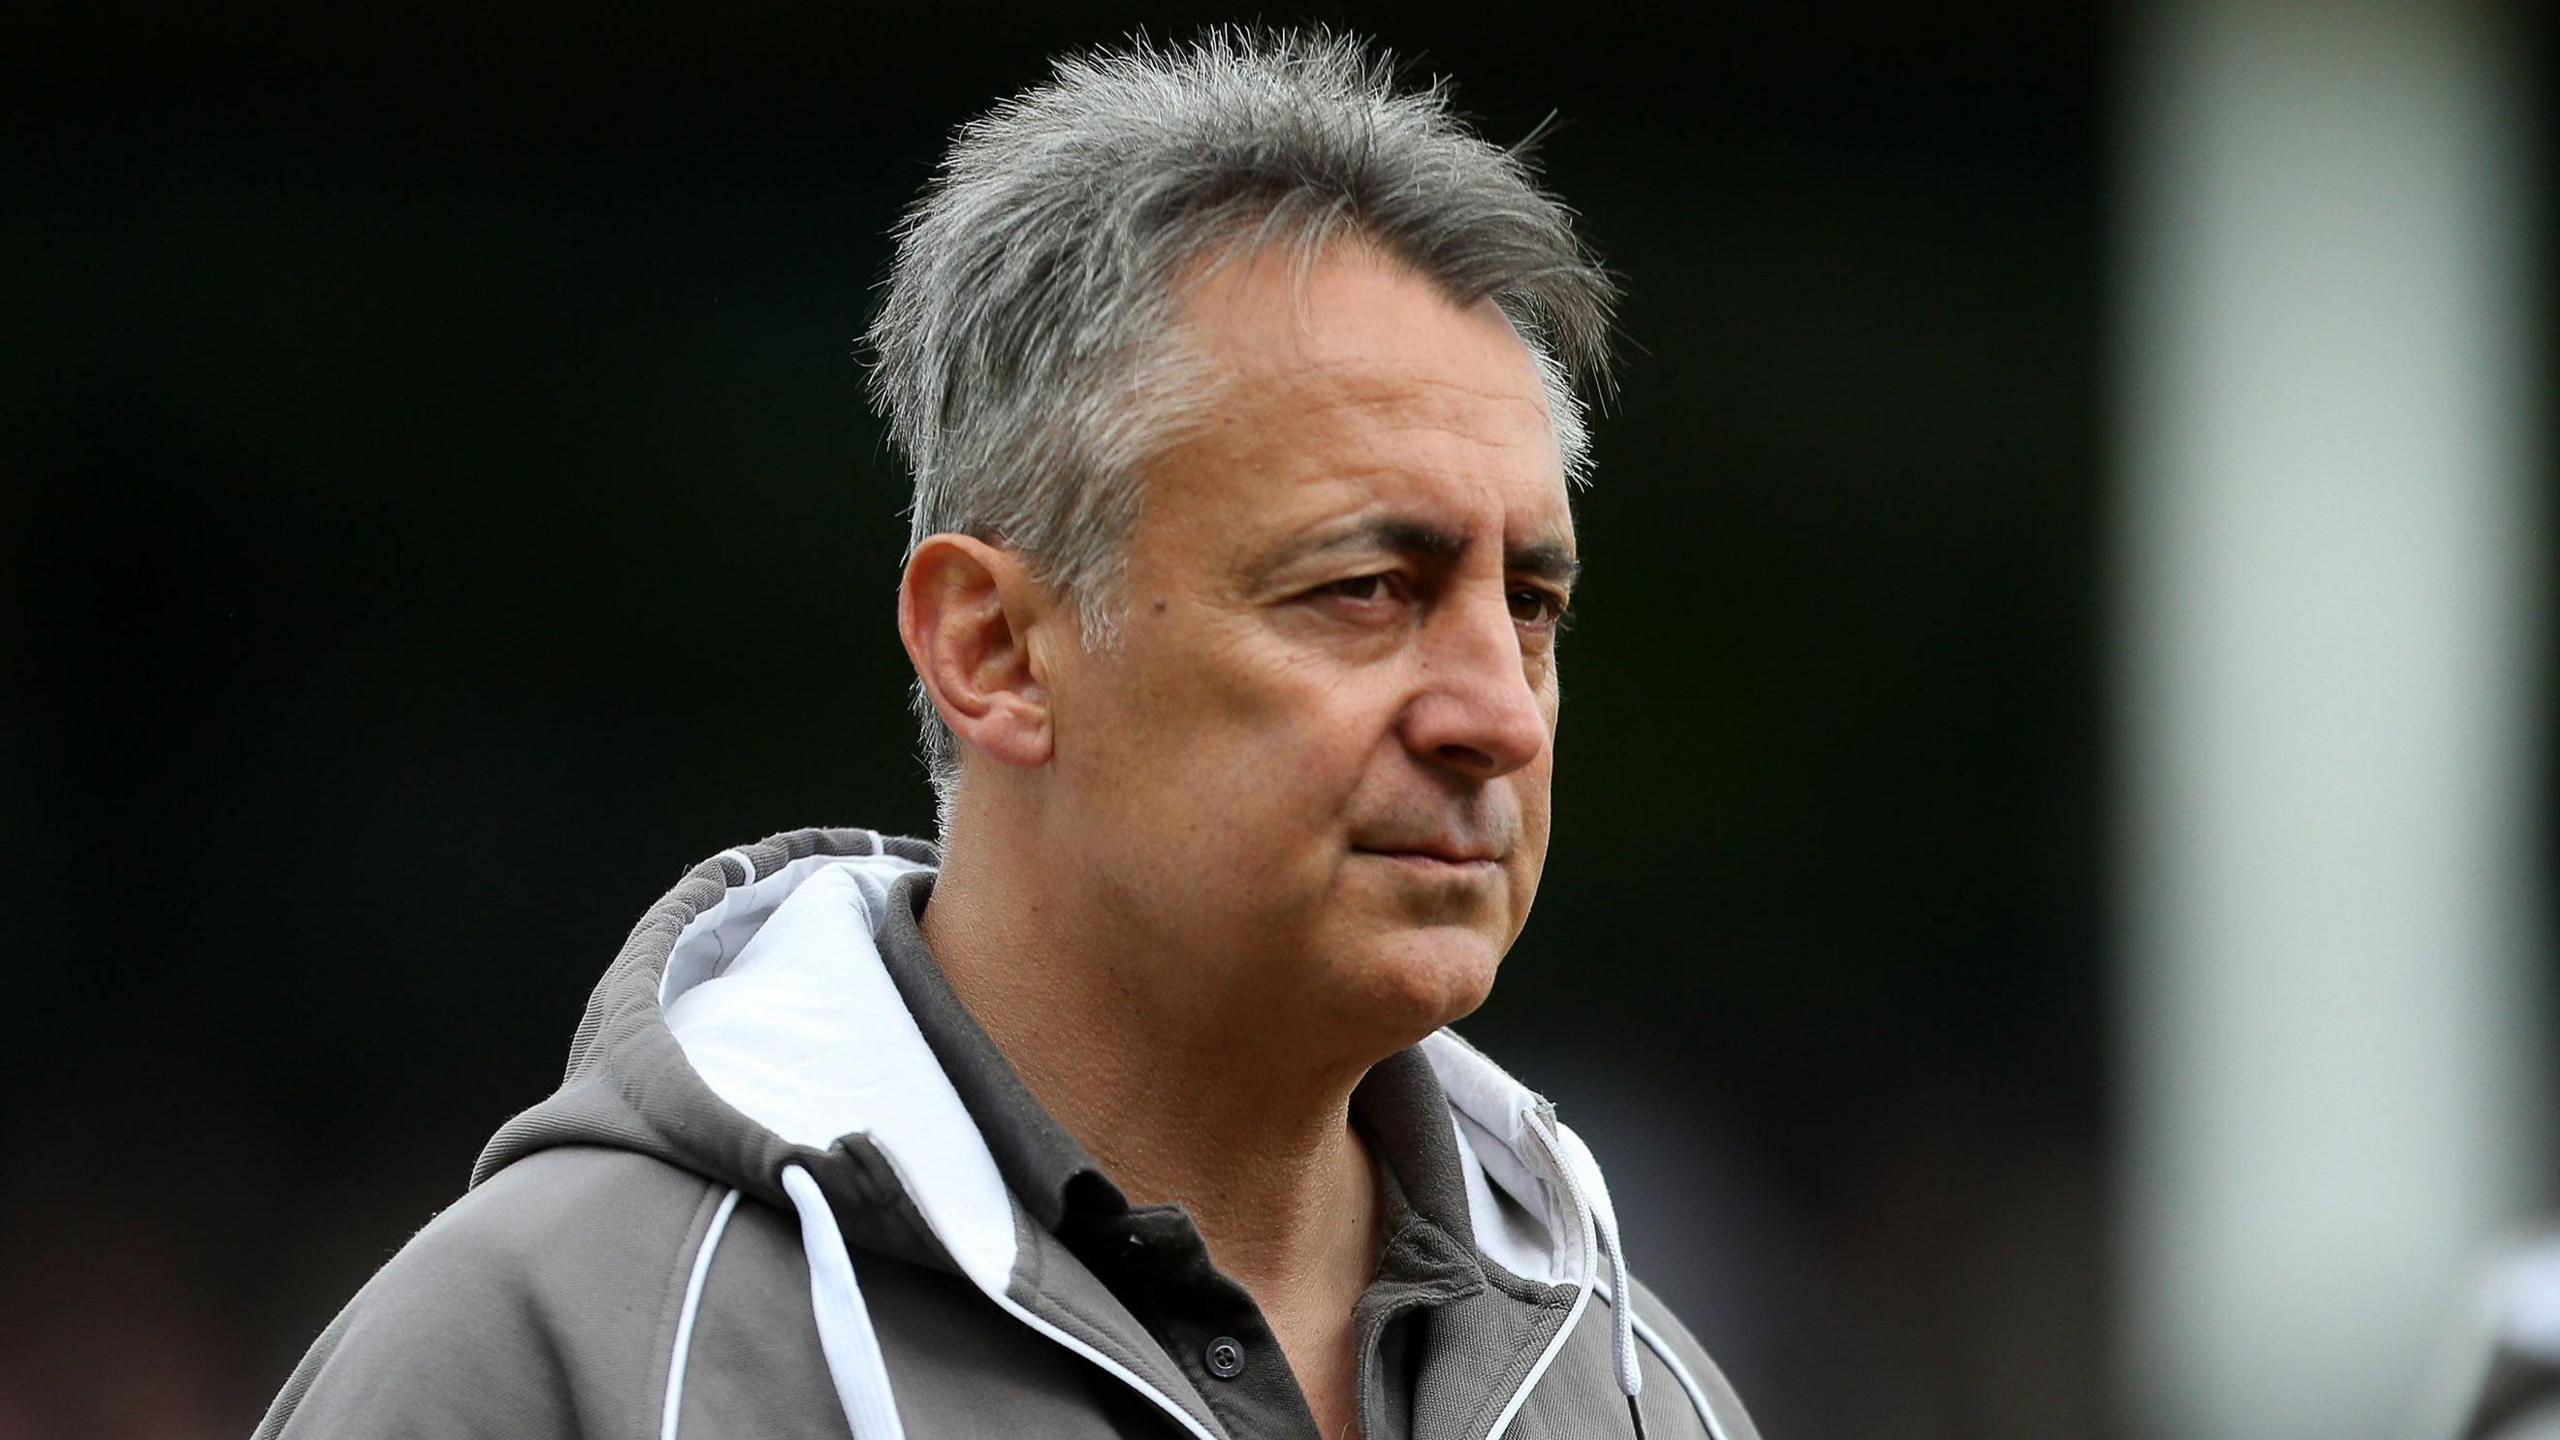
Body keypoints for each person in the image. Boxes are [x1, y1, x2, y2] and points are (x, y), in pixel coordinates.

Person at [255, 28, 1759, 1440]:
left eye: (1535, 607)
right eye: (1366, 589)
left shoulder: (1635, 1391)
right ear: (993, 650)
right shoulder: (555, 1353)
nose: (1498, 711)